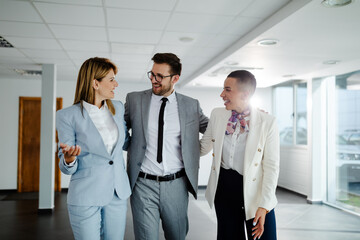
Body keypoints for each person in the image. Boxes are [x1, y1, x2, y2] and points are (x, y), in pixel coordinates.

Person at [124, 53, 209, 240]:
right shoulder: (134, 100)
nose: (154, 80)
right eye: (152, 74)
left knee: (176, 236)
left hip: (176, 185)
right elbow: (118, 129)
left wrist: (247, 117)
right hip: (143, 184)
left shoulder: (190, 105)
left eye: (160, 76)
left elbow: (212, 128)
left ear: (175, 78)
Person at [56, 57, 131, 240]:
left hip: (116, 193)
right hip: (85, 195)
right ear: (95, 83)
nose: (116, 84)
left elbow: (126, 143)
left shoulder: (118, 108)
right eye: (111, 79)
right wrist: (69, 159)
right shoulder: (67, 116)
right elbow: (66, 165)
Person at [200, 70, 279, 240]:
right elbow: (202, 148)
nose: (222, 94)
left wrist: (264, 207)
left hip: (256, 193)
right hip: (225, 189)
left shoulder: (268, 122)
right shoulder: (217, 114)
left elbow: (271, 167)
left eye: (227, 90)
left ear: (245, 94)